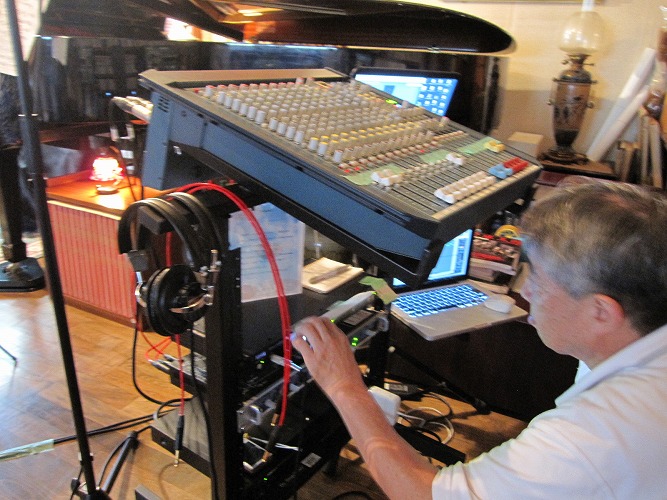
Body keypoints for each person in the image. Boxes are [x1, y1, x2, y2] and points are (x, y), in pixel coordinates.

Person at [292, 181, 667, 499]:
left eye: (538, 281)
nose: (527, 293)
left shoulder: (591, 439)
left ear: (602, 312)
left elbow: (421, 493)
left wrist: (344, 385)